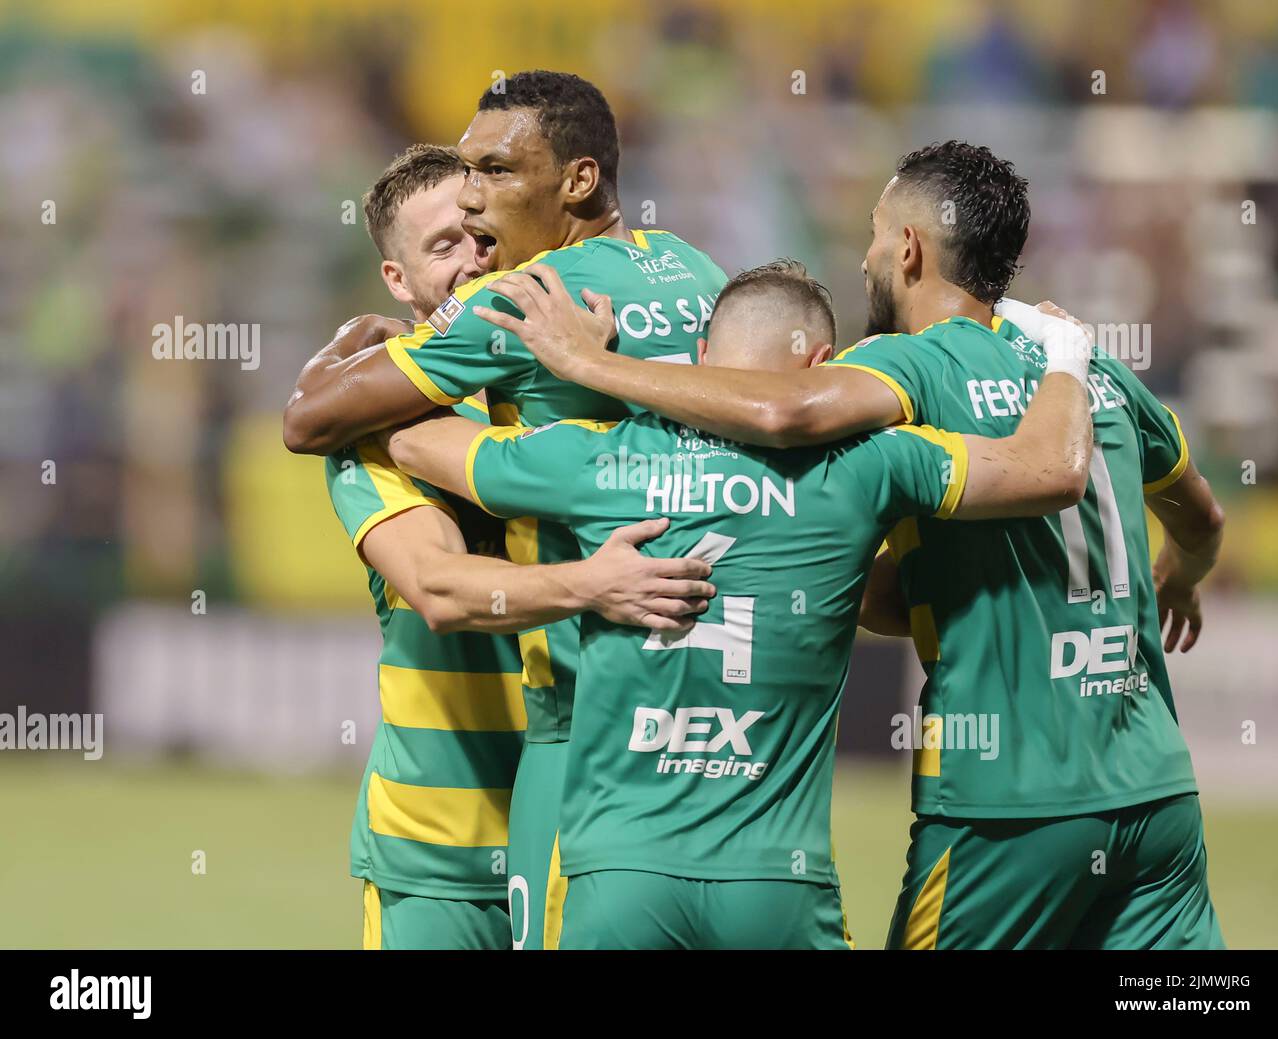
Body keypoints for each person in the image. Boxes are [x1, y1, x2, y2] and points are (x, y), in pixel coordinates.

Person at [474, 141, 1227, 949]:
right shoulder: (1090, 372)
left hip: (1009, 799)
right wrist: (1177, 580)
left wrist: (591, 364)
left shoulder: (909, 367)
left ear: (908, 248)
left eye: (874, 233)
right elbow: (1201, 519)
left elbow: (781, 412)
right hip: (1157, 789)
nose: (866, 255)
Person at [380, 259, 1095, 948]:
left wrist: (400, 347)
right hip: (775, 883)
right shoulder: (871, 465)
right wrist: (1065, 360)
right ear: (822, 367)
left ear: (700, 355)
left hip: (620, 875)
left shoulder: (600, 456)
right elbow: (1045, 470)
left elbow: (409, 438)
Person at [283, 72, 729, 949]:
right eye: (446, 242)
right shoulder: (382, 433)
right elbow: (442, 591)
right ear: (398, 279)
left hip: (594, 792)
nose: (476, 247)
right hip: (440, 856)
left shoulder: (549, 372)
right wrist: (593, 584)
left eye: (482, 220)